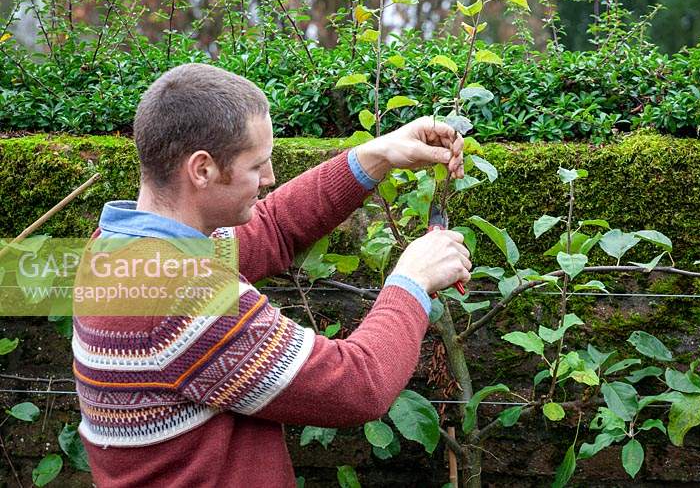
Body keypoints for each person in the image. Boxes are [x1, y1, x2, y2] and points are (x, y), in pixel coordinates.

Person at [71, 63, 471, 487]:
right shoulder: (184, 295)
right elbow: (359, 384)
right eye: (256, 165)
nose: (269, 177)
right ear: (202, 169)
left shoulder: (119, 249)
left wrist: (375, 156)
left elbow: (272, 227)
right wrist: (412, 280)